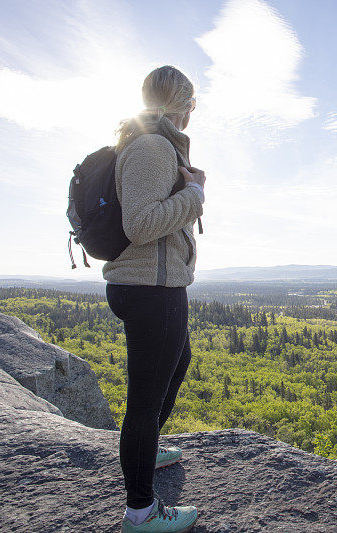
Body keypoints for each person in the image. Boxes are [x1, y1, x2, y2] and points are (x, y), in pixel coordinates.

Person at [104, 65, 206, 533]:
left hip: (152, 286)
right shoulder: (152, 146)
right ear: (183, 107)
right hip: (152, 289)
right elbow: (141, 225)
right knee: (144, 402)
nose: (191, 114)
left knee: (178, 361)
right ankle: (141, 512)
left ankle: (149, 448)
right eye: (192, 105)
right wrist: (195, 193)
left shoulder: (146, 143)